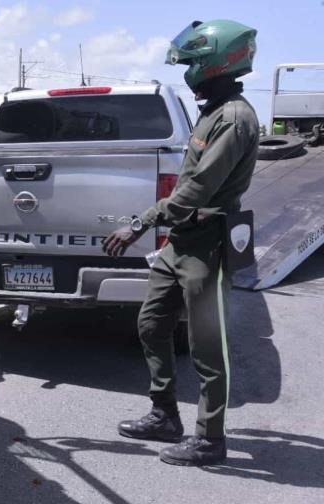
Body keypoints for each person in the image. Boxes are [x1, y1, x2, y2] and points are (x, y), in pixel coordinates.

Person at [101, 19, 259, 467]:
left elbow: (196, 190)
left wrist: (139, 223)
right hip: (179, 243)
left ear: (215, 62)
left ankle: (210, 440)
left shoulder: (233, 118)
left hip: (207, 245)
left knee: (209, 349)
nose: (187, 70)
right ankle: (163, 414)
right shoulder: (212, 111)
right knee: (151, 325)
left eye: (192, 61)